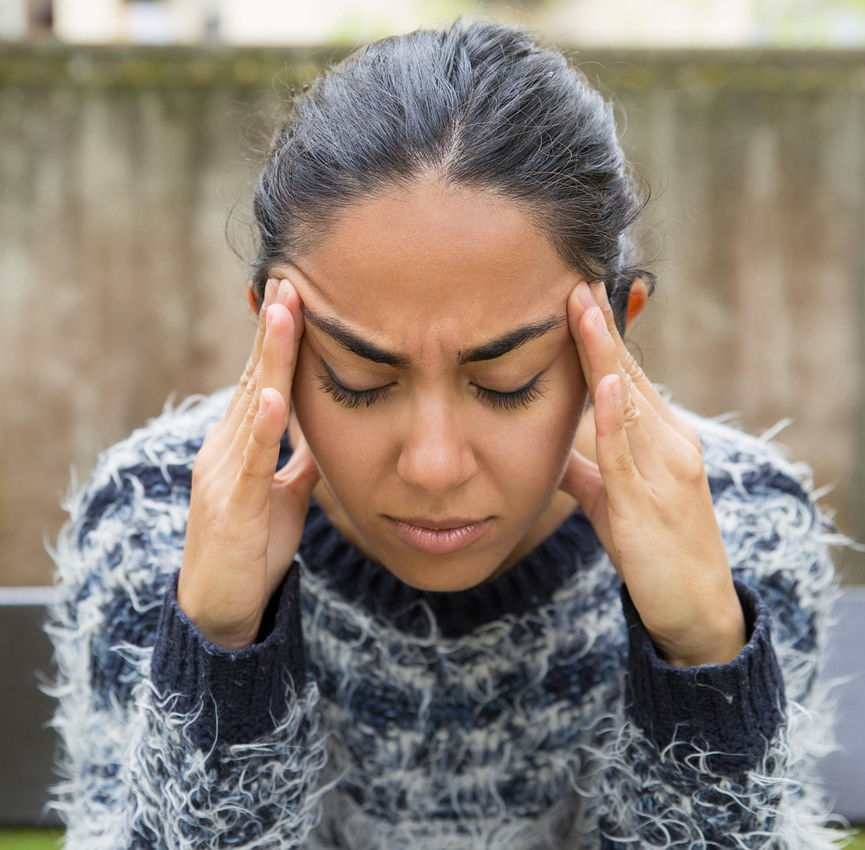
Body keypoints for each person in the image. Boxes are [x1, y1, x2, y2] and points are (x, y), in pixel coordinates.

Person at [47, 19, 845, 849]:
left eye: (507, 383)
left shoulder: (739, 524)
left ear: (615, 328)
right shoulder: (154, 521)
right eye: (359, 380)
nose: (432, 465)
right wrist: (217, 644)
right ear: (272, 342)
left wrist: (701, 654)